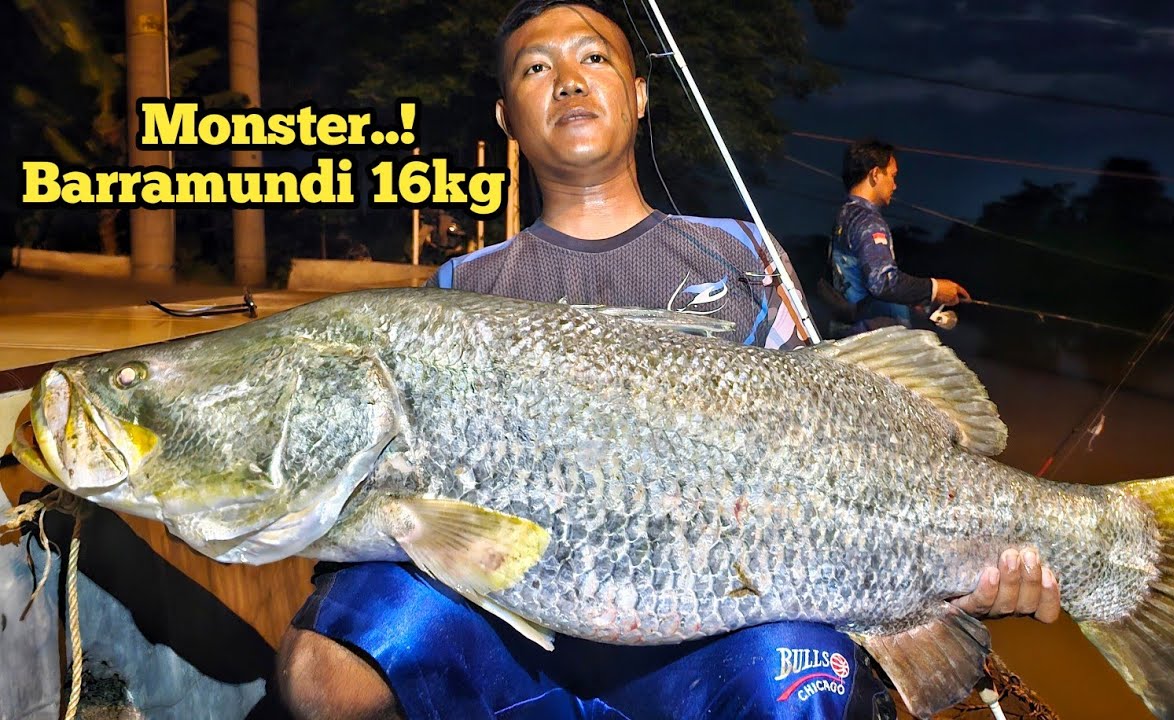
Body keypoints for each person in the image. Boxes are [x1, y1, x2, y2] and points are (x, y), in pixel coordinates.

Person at [276, 3, 1061, 719]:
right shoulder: (462, 285)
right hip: (508, 639)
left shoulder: (738, 252)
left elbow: (844, 442)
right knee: (321, 672)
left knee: (804, 679)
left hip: (713, 642)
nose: (569, 80)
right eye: (535, 68)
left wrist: (968, 559)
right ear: (507, 116)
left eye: (595, 58)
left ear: (642, 96)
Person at [820, 139, 970, 338]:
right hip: (874, 343)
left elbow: (859, 281)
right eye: (892, 175)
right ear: (875, 174)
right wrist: (935, 289)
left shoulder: (844, 216)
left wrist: (914, 300)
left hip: (850, 336)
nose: (895, 185)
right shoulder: (868, 221)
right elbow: (882, 282)